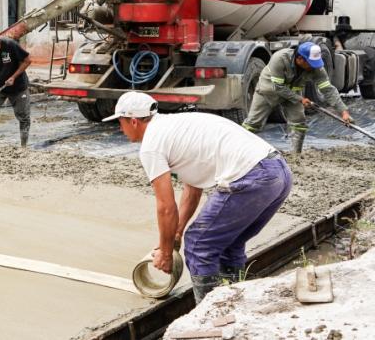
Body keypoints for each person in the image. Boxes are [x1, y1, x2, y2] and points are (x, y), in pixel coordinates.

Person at [107, 91, 293, 303]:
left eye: (120, 122)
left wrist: (166, 253)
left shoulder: (151, 145)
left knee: (198, 244)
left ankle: (208, 316)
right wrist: (176, 233)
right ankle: (235, 304)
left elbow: (166, 207)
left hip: (252, 176)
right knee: (229, 243)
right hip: (279, 173)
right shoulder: (174, 126)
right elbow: (192, 189)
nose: (120, 129)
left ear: (133, 121)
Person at [242, 42, 352, 154]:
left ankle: (296, 156)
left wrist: (343, 112)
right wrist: (300, 99)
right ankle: (243, 152)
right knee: (252, 124)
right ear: (300, 59)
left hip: (293, 94)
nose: (313, 67)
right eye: (310, 63)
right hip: (269, 90)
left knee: (299, 122)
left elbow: (328, 89)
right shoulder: (280, 59)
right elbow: (278, 88)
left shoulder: (316, 67)